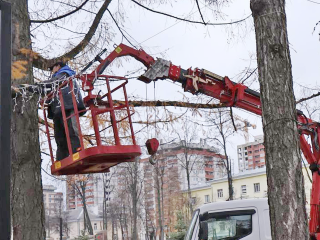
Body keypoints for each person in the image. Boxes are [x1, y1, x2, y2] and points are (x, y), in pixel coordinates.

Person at [44, 62, 86, 160]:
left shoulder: (65, 73)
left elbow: (55, 82)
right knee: (59, 135)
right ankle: (62, 157)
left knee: (71, 129)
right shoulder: (57, 78)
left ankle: (77, 151)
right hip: (57, 109)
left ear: (58, 66)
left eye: (52, 68)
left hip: (68, 105)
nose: (51, 71)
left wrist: (38, 86)